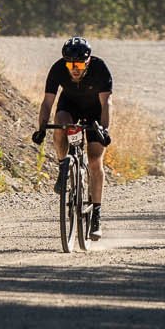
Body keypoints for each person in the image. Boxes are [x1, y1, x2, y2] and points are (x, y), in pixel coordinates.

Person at [30, 36, 113, 239]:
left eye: (79, 64)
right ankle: (63, 167)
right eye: (70, 64)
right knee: (61, 124)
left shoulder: (100, 69)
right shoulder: (58, 68)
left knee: (94, 159)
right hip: (70, 107)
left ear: (88, 60)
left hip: (95, 112)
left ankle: (96, 215)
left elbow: (107, 103)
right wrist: (41, 128)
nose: (74, 68)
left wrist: (104, 129)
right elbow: (48, 102)